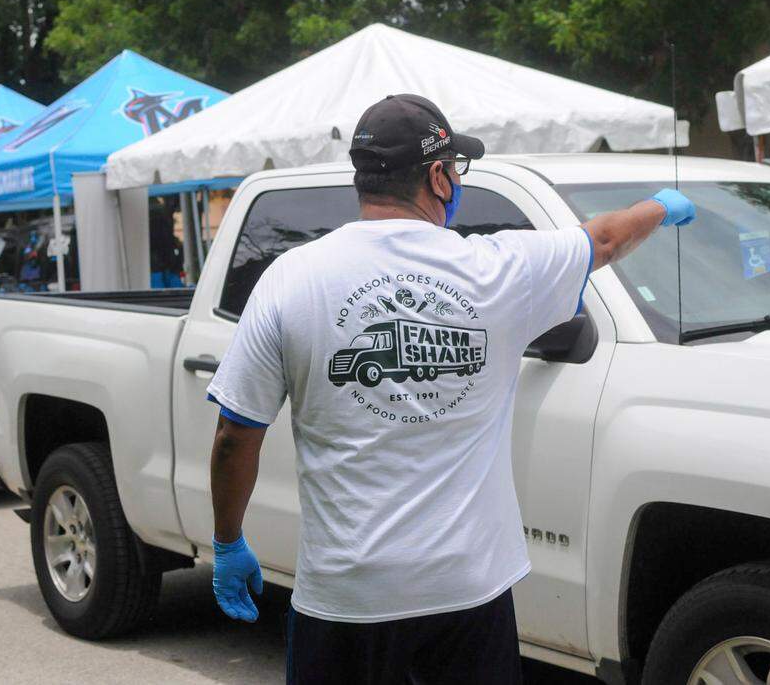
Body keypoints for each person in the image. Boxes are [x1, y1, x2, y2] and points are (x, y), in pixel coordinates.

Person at [206, 94, 695, 684]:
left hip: (346, 596)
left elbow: (236, 434)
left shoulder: (291, 276)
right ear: (437, 176)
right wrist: (660, 207)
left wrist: (229, 541)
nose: (458, 181)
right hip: (469, 590)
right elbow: (608, 239)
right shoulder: (498, 269)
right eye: (456, 169)